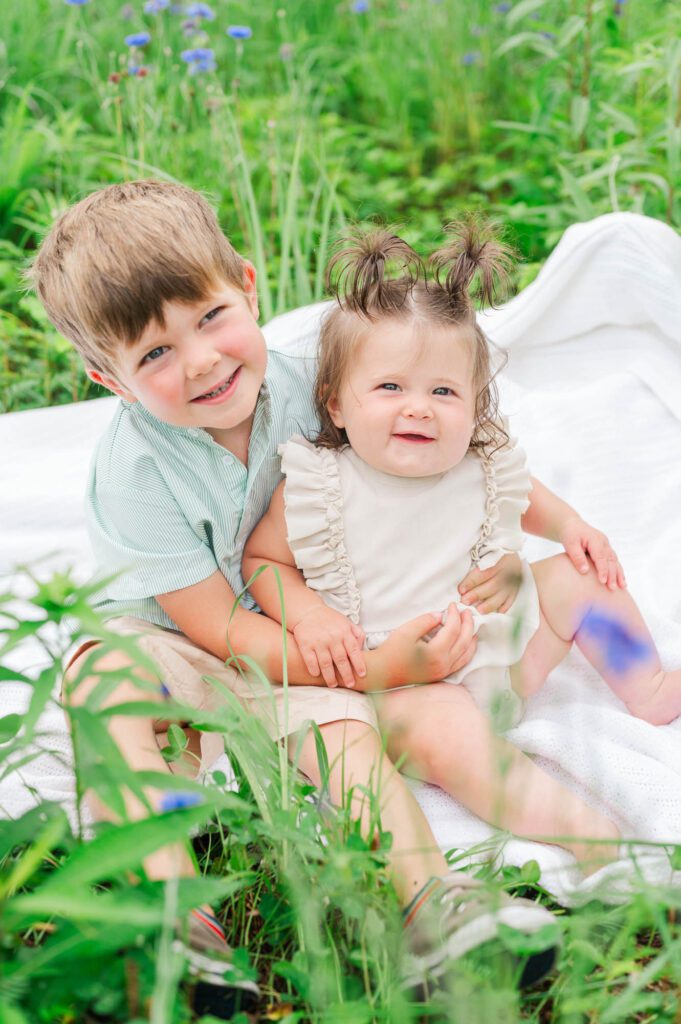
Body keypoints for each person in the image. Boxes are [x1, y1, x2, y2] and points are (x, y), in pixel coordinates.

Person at [28, 182, 558, 1015]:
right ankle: (178, 914)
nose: (200, 361)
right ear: (110, 378)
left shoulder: (322, 383)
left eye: (208, 318)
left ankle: (436, 907)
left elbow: (442, 457)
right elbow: (214, 623)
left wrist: (538, 531)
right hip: (187, 639)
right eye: (154, 355)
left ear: (246, 284)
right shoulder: (132, 470)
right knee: (103, 684)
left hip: (310, 639)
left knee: (350, 752)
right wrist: (370, 664)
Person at [243, 220, 681, 888]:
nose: (418, 408)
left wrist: (572, 528)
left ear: (474, 407)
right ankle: (590, 835)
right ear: (335, 403)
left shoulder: (478, 460)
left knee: (580, 578)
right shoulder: (318, 483)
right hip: (400, 678)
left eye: (443, 392)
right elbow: (264, 562)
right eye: (389, 388)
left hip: (498, 653)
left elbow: (521, 493)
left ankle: (645, 684)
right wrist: (305, 615)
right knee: (448, 732)